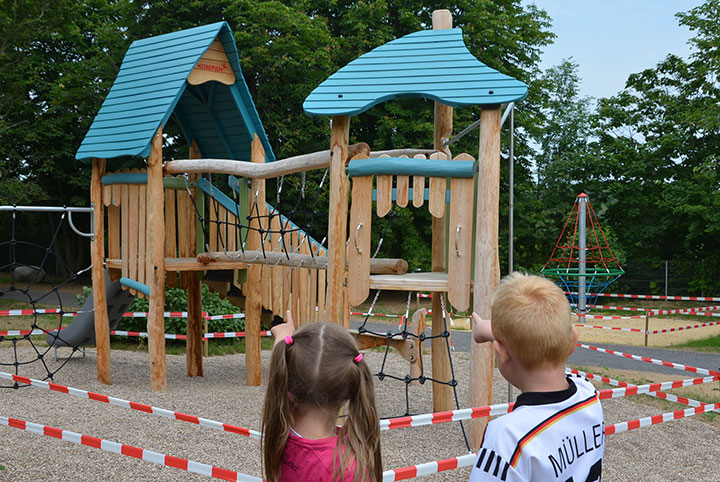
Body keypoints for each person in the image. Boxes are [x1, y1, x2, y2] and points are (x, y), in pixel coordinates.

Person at [469, 273, 604, 482]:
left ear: (502, 353)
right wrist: (495, 333)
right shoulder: (588, 394)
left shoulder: (507, 437)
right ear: (573, 341)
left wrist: (494, 334)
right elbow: (549, 352)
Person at [262, 311, 382, 482]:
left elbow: (278, 370)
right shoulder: (347, 468)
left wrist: (282, 335)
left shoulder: (279, 434)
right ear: (350, 390)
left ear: (287, 389)